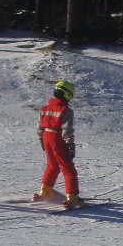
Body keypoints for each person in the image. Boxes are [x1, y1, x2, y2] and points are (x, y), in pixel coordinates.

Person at [33, 80, 86, 209]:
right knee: (68, 168)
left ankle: (45, 190)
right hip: (57, 138)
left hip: (46, 137)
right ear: (66, 94)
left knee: (52, 165)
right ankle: (72, 197)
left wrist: (41, 139)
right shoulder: (65, 110)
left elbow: (39, 126)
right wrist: (70, 145)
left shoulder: (45, 108)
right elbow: (67, 130)